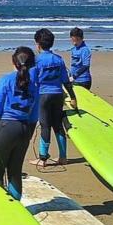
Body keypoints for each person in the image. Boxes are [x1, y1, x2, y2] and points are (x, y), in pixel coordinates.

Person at [0, 47, 38, 200]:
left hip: (5, 129)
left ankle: (1, 210)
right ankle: (16, 207)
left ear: (13, 61)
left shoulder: (5, 81)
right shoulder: (34, 86)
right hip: (24, 129)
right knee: (15, 172)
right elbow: (34, 116)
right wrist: (28, 136)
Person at [29, 28, 77, 167]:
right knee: (58, 125)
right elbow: (66, 81)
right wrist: (73, 97)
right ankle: (63, 157)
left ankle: (43, 158)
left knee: (45, 126)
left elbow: (32, 81)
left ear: (37, 44)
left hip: (43, 96)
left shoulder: (36, 61)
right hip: (57, 95)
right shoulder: (58, 59)